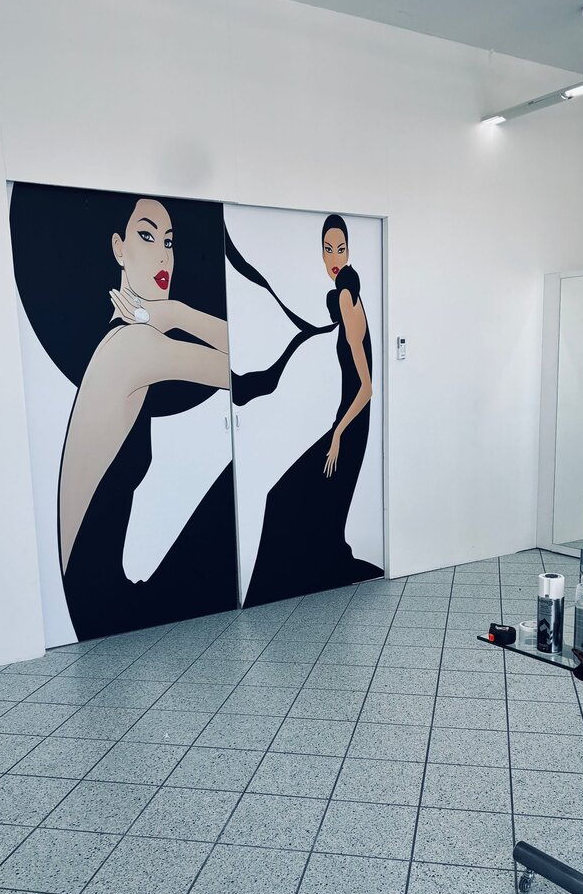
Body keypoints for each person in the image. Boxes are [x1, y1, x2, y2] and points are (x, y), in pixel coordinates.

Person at [59, 197, 238, 639]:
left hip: (95, 602)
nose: (163, 256)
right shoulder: (133, 345)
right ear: (118, 248)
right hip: (104, 607)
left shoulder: (123, 340)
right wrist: (176, 313)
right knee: (235, 485)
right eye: (146, 236)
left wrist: (168, 314)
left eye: (169, 242)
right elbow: (249, 371)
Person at [243, 214, 383, 607]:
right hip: (346, 422)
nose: (334, 257)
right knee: (287, 501)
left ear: (349, 252)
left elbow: (367, 388)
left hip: (350, 426)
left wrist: (337, 434)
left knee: (280, 500)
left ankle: (277, 592)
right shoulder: (345, 296)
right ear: (321, 253)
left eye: (341, 249)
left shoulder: (347, 299)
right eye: (328, 249)